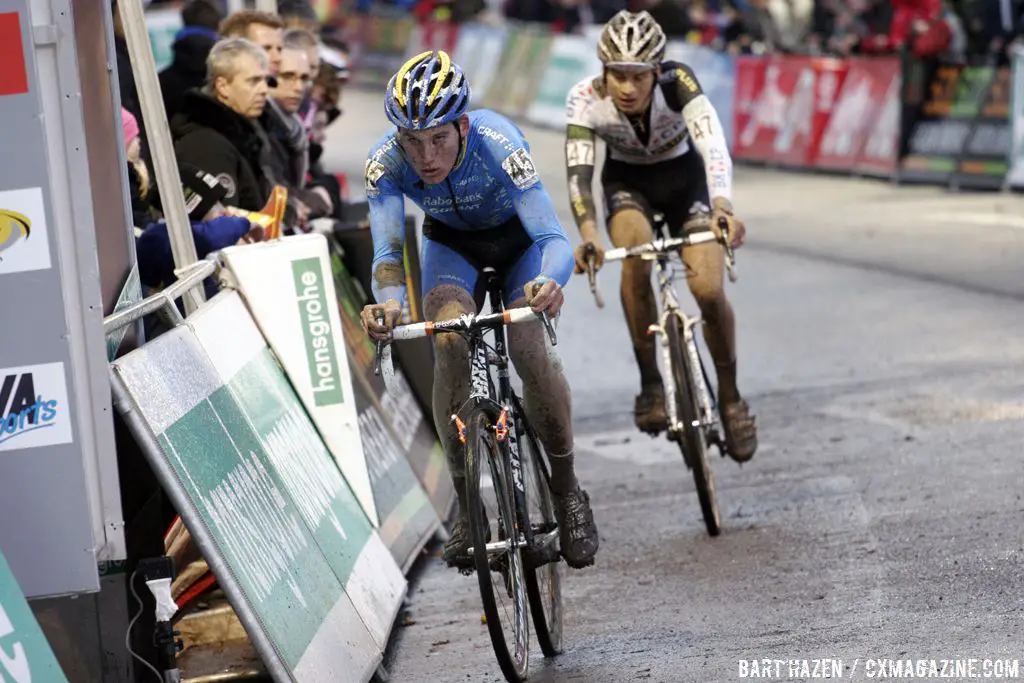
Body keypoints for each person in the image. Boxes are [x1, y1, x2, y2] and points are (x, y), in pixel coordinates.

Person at [359, 51, 600, 570]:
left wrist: (548, 282)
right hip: (451, 250)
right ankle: (470, 507)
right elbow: (387, 258)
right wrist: (388, 307)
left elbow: (554, 240)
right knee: (448, 340)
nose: (425, 156)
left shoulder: (499, 142)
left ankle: (566, 491)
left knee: (528, 347)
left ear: (462, 124)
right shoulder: (385, 164)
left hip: (520, 248)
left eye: (439, 139)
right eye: (412, 141)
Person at [564, 10, 758, 461]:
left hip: (684, 183)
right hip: (627, 185)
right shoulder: (585, 98)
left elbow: (713, 146)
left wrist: (723, 207)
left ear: (657, 71)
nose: (628, 89)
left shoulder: (679, 83)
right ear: (604, 72)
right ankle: (651, 383)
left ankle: (730, 399)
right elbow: (579, 177)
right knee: (634, 254)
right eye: (618, 76)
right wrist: (590, 234)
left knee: (708, 290)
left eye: (639, 77)